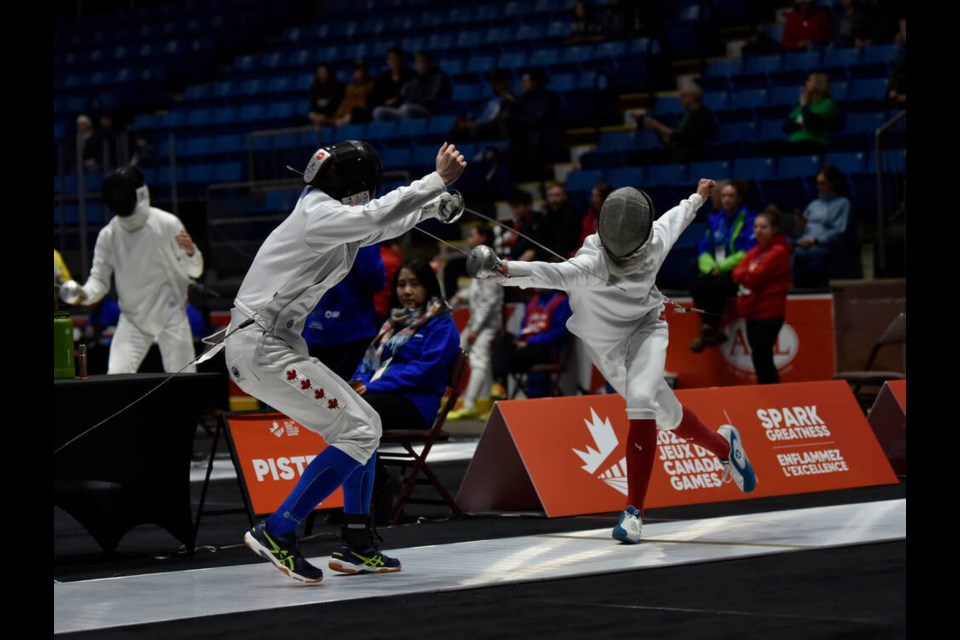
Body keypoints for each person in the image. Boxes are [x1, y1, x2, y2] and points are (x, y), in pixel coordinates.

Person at [225, 140, 466, 583]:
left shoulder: (325, 215)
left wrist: (433, 208)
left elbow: (376, 228)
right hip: (260, 347)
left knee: (362, 426)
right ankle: (278, 530)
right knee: (360, 427)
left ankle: (356, 541)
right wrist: (435, 181)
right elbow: (373, 216)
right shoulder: (318, 215)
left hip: (276, 345)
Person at [468, 180, 758, 543]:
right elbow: (548, 273)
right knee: (667, 415)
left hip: (646, 331)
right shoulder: (590, 262)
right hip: (606, 349)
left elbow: (678, 216)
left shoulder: (655, 241)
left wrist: (698, 196)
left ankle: (633, 513)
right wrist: (501, 270)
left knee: (640, 402)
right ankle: (724, 448)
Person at [57, 166, 203, 373]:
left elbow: (194, 271)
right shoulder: (109, 235)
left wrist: (191, 254)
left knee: (183, 381)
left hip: (171, 316)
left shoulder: (167, 223)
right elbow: (99, 281)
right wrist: (83, 294)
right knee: (116, 379)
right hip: (132, 319)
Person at [347, 258, 461, 520]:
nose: (407, 291)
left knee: (357, 413)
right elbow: (369, 363)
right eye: (401, 285)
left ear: (429, 287)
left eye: (414, 284)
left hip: (415, 404)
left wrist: (371, 386)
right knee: (338, 408)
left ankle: (377, 485)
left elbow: (425, 371)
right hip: (381, 395)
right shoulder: (393, 322)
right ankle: (373, 486)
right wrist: (354, 385)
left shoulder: (442, 324)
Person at [689, 180, 756, 353]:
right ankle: (713, 328)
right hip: (715, 269)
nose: (727, 199)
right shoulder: (715, 221)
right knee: (697, 285)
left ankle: (707, 329)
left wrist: (722, 266)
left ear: (739, 199)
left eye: (731, 196)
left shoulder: (748, 220)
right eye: (724, 196)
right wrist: (710, 268)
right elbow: (704, 247)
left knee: (719, 283)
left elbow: (747, 251)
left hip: (737, 271)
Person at [302, 244, 385, 380]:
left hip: (315, 324)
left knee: (317, 391)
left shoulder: (310, 225)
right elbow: (372, 275)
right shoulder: (362, 227)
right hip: (353, 327)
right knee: (350, 394)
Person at [731, 206, 793, 384]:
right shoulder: (756, 251)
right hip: (753, 312)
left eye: (763, 227)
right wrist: (747, 272)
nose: (758, 230)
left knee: (763, 358)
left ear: (774, 229)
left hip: (769, 313)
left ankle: (772, 395)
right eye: (756, 227)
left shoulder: (779, 252)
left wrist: (747, 272)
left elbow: (754, 278)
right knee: (758, 358)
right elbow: (736, 273)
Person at [448, 225, 504, 420]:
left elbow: (488, 302)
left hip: (486, 325)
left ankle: (470, 404)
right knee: (474, 360)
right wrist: (459, 298)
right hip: (479, 323)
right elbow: (478, 294)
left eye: (472, 234)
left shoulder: (490, 264)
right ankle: (486, 402)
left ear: (483, 237)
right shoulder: (482, 263)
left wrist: (475, 329)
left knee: (478, 361)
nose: (469, 238)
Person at [491, 288, 572, 399]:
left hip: (546, 350)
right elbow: (524, 327)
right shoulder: (533, 301)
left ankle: (500, 384)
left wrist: (529, 342)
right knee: (505, 339)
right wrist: (519, 342)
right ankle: (499, 383)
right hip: (526, 349)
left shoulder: (561, 301)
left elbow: (560, 333)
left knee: (507, 355)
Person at [791, 165, 853, 288]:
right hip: (805, 243)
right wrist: (801, 227)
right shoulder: (813, 204)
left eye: (823, 183)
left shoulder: (843, 203)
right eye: (818, 183)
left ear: (833, 183)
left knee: (800, 254)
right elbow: (802, 230)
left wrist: (815, 240)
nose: (819, 187)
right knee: (784, 245)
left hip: (823, 245)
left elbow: (838, 231)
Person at [638, 79, 718, 163]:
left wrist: (658, 126)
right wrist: (656, 129)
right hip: (680, 154)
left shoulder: (702, 113)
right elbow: (675, 139)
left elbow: (685, 138)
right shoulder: (687, 115)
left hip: (694, 155)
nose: (680, 100)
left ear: (694, 96)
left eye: (684, 96)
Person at [372, 50, 451, 120]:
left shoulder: (438, 77)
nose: (420, 65)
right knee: (378, 111)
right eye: (417, 63)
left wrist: (416, 103)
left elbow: (433, 98)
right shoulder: (414, 80)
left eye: (422, 62)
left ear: (428, 63)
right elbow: (406, 96)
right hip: (407, 109)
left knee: (406, 109)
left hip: (427, 110)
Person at [449, 68, 515, 143]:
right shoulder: (490, 100)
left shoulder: (510, 99)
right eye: (492, 82)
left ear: (505, 82)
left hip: (491, 129)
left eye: (496, 81)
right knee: (456, 129)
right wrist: (467, 122)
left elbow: (497, 120)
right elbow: (478, 114)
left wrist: (473, 124)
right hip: (479, 125)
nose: (494, 84)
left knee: (473, 131)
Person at [781, 71, 840, 154]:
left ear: (819, 83)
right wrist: (802, 119)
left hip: (814, 142)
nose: (806, 82)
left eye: (809, 80)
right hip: (794, 143)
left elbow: (813, 123)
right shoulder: (799, 106)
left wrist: (804, 108)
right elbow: (788, 127)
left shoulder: (827, 104)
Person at [538, 182, 581, 260]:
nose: (553, 200)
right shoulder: (544, 217)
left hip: (567, 259)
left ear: (564, 196)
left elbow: (570, 242)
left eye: (557, 195)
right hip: (547, 258)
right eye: (550, 196)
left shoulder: (573, 216)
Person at [307, 63, 345, 127]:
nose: (321, 75)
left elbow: (336, 104)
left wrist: (325, 116)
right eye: (319, 72)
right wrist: (313, 114)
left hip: (333, 118)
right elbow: (313, 108)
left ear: (329, 73)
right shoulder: (315, 88)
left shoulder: (337, 87)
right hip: (319, 119)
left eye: (323, 72)